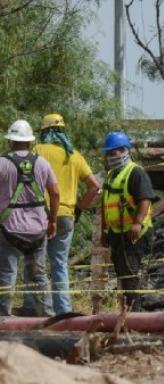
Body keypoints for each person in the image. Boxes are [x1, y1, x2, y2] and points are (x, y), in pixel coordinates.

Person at [21, 113, 100, 315]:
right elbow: (94, 186)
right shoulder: (74, 156)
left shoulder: (37, 151)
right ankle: (63, 311)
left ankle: (32, 307)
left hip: (40, 215)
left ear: (44, 132)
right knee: (60, 264)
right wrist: (79, 208)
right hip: (66, 216)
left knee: (34, 262)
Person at [0, 120, 59, 316]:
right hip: (37, 230)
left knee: (7, 274)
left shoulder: (2, 163)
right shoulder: (42, 163)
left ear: (11, 141)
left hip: (9, 229)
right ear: (30, 142)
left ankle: (3, 318)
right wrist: (53, 221)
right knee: (38, 274)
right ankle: (46, 315)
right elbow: (56, 193)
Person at [101, 131, 157, 311]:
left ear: (125, 151)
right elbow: (106, 205)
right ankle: (128, 312)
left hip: (134, 234)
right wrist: (105, 230)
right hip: (117, 234)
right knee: (122, 274)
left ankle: (136, 315)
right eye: (109, 153)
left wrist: (137, 223)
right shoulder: (110, 176)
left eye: (115, 152)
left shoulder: (136, 173)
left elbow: (145, 199)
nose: (111, 156)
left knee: (130, 274)